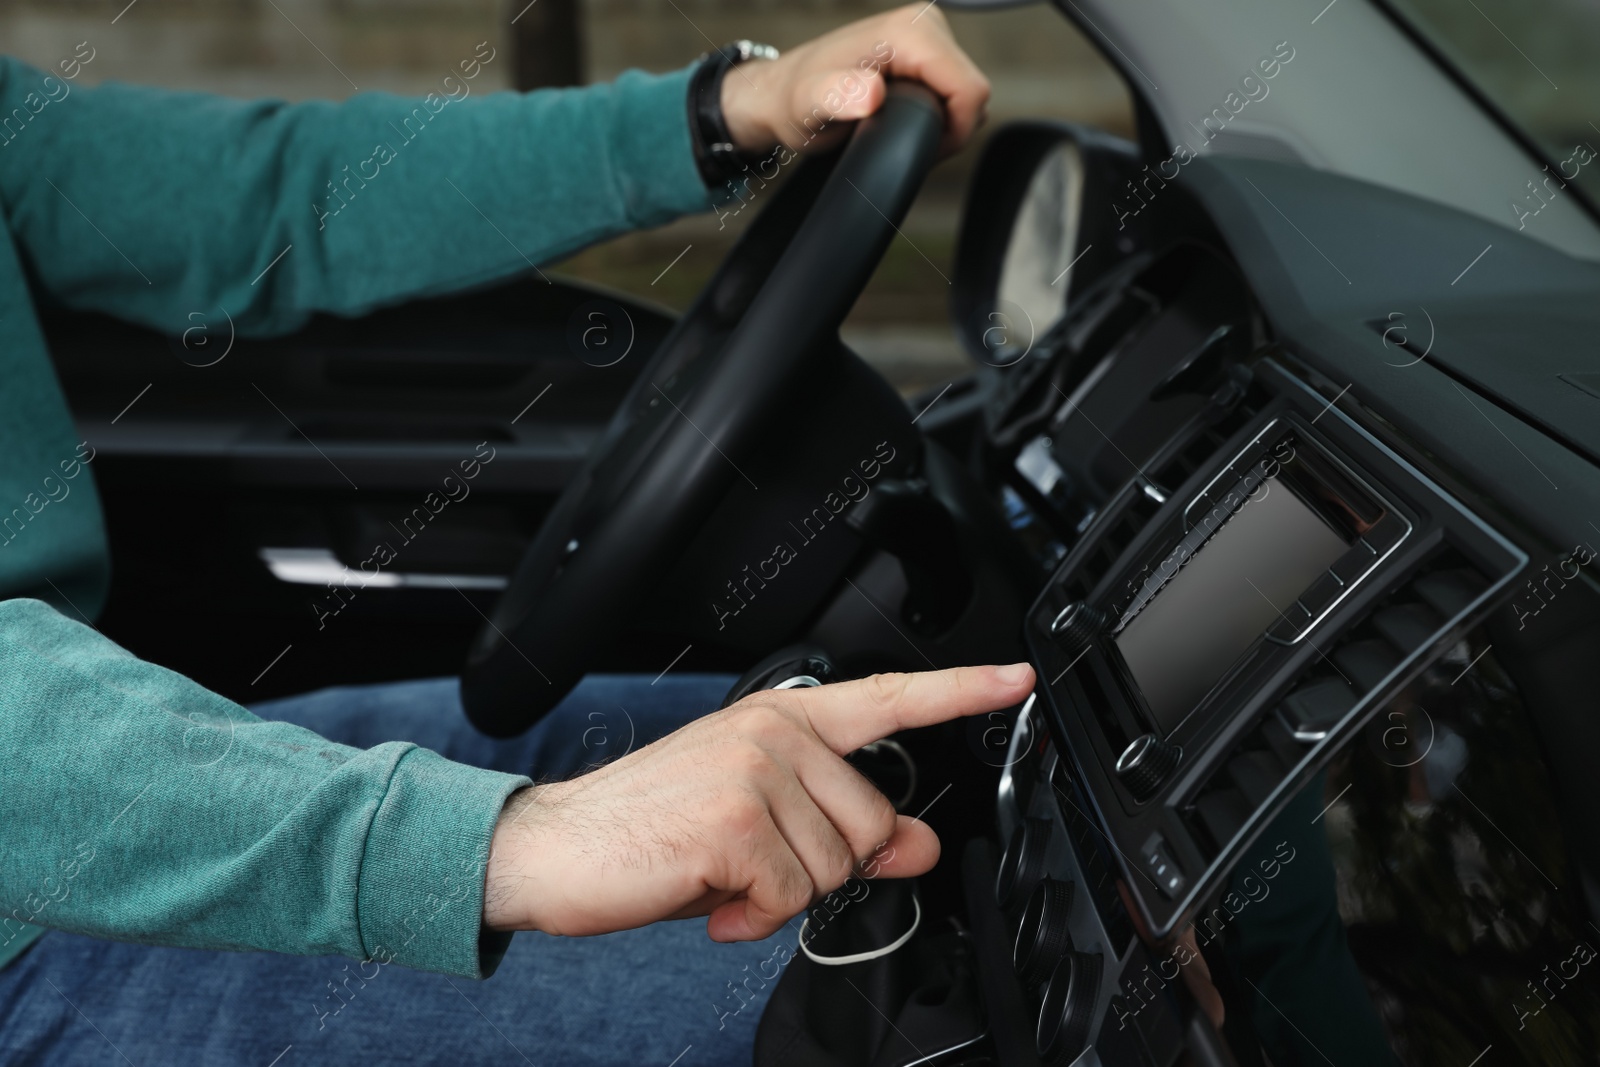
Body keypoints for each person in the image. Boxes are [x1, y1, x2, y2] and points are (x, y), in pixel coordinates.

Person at [0, 7, 1021, 1064]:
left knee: (887, 773)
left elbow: (270, 195)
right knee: (886, 1001)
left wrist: (720, 112)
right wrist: (506, 841)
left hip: (73, 782)